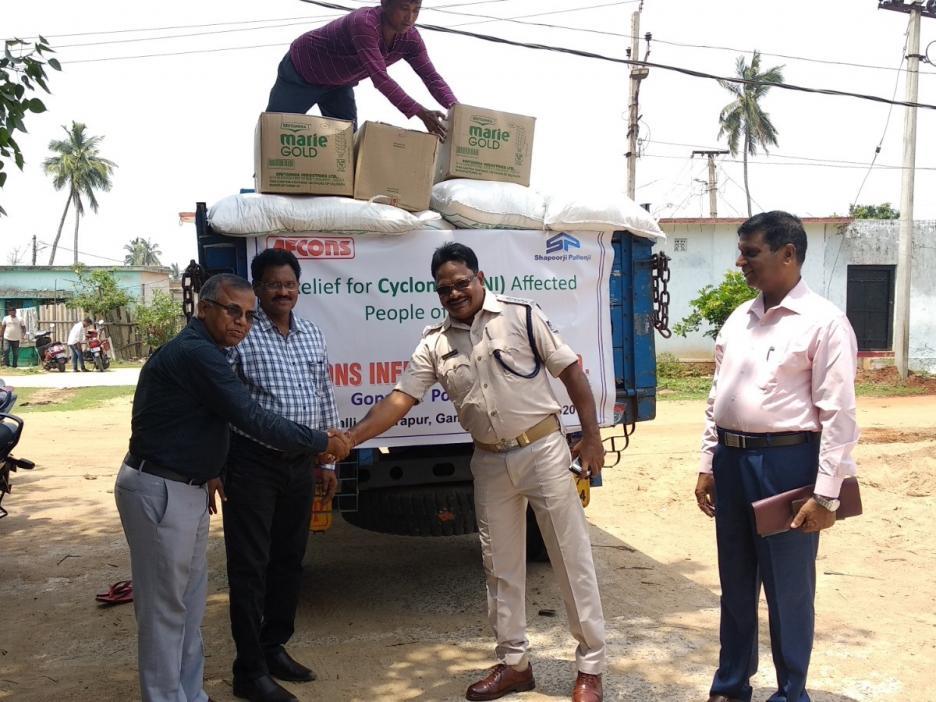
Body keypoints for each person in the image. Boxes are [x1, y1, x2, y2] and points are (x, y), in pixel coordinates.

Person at [347, 243, 607, 702]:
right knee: (500, 567)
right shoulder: (435, 343)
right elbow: (400, 399)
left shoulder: (521, 316)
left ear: (479, 277)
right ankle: (514, 665)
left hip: (543, 449)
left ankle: (590, 667)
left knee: (571, 559)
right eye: (444, 288)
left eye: (461, 282)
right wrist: (352, 438)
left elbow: (570, 372)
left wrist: (590, 435)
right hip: (488, 461)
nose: (454, 293)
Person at [115, 273, 352, 702]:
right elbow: (250, 417)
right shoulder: (197, 354)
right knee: (166, 609)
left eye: (247, 315)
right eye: (232, 311)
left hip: (186, 487)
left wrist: (208, 468)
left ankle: (191, 693)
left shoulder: (213, 351)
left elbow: (193, 421)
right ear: (202, 308)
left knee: (188, 605)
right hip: (160, 487)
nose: (241, 323)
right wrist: (322, 442)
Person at [694, 211, 859, 702]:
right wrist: (708, 462)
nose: (740, 261)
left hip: (787, 465)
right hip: (733, 460)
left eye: (751, 252)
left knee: (787, 588)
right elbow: (715, 395)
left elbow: (839, 416)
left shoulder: (824, 323)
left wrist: (827, 497)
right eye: (741, 251)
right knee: (736, 580)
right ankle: (731, 684)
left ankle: (791, 692)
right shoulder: (739, 318)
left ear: (788, 254)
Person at [221, 249, 340, 702]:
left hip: (300, 466)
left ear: (299, 286)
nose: (283, 291)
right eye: (273, 284)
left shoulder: (311, 332)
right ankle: (248, 671)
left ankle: (274, 648)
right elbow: (223, 405)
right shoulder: (241, 335)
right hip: (251, 465)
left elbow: (323, 395)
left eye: (289, 283)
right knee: (250, 568)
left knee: (289, 562)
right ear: (257, 287)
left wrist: (327, 461)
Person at [266, 0, 457, 136]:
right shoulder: (365, 23)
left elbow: (432, 77)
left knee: (346, 141)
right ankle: (265, 181)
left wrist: (458, 110)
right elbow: (380, 78)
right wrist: (420, 112)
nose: (410, 17)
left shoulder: (411, 40)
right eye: (404, 8)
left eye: (416, 9)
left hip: (339, 84)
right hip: (302, 72)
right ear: (385, 3)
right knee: (275, 132)